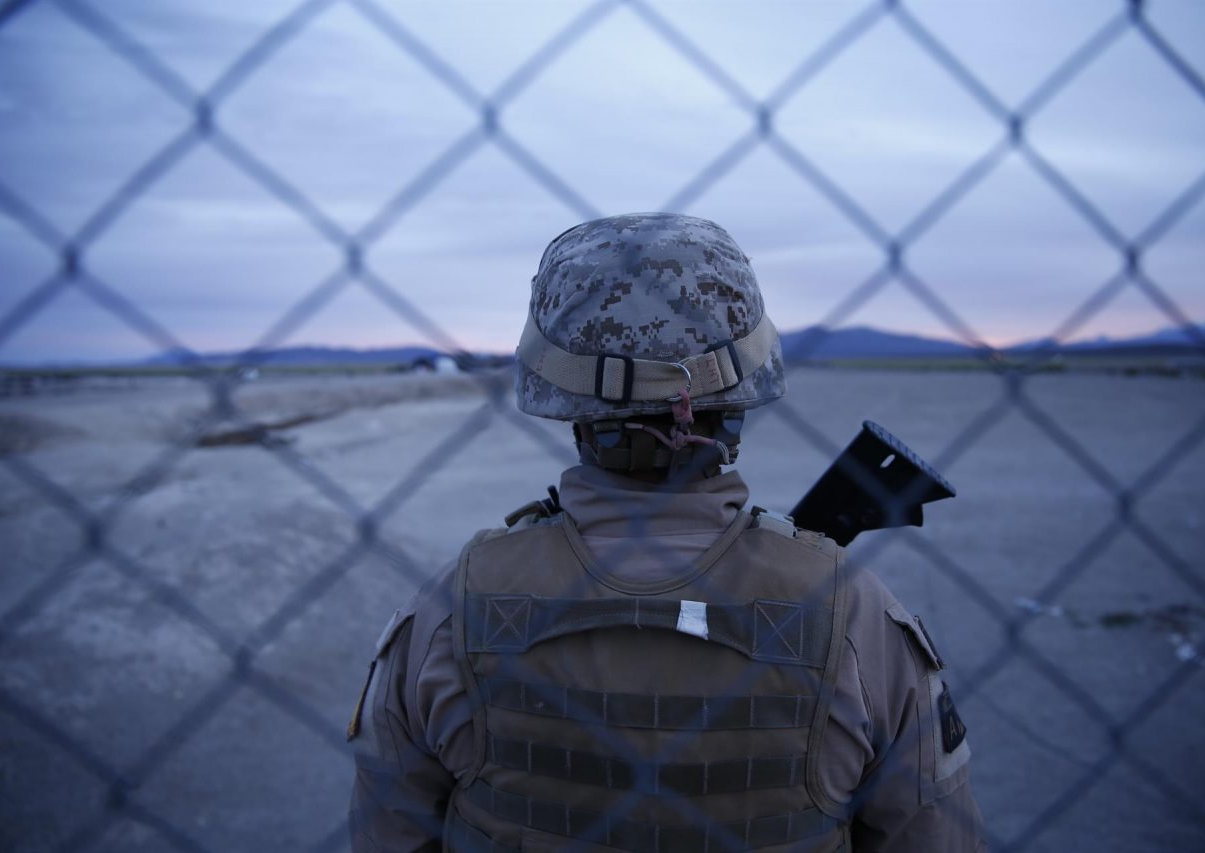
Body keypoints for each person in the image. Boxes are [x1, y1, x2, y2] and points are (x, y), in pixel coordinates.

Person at [348, 213, 986, 852]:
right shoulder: (855, 614)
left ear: (558, 389)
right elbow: (934, 838)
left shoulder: (450, 610)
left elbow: (389, 832)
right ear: (739, 390)